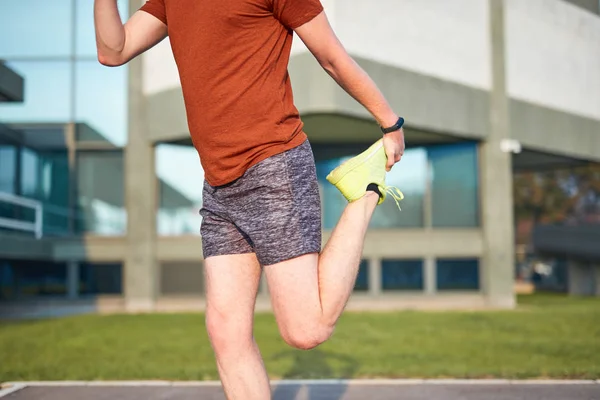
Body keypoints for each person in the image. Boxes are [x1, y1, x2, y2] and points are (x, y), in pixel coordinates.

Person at [94, 0, 405, 398]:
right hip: (218, 183)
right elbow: (113, 50)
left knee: (306, 330)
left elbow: (330, 56)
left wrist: (389, 122)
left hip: (273, 167)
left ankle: (365, 191)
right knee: (226, 333)